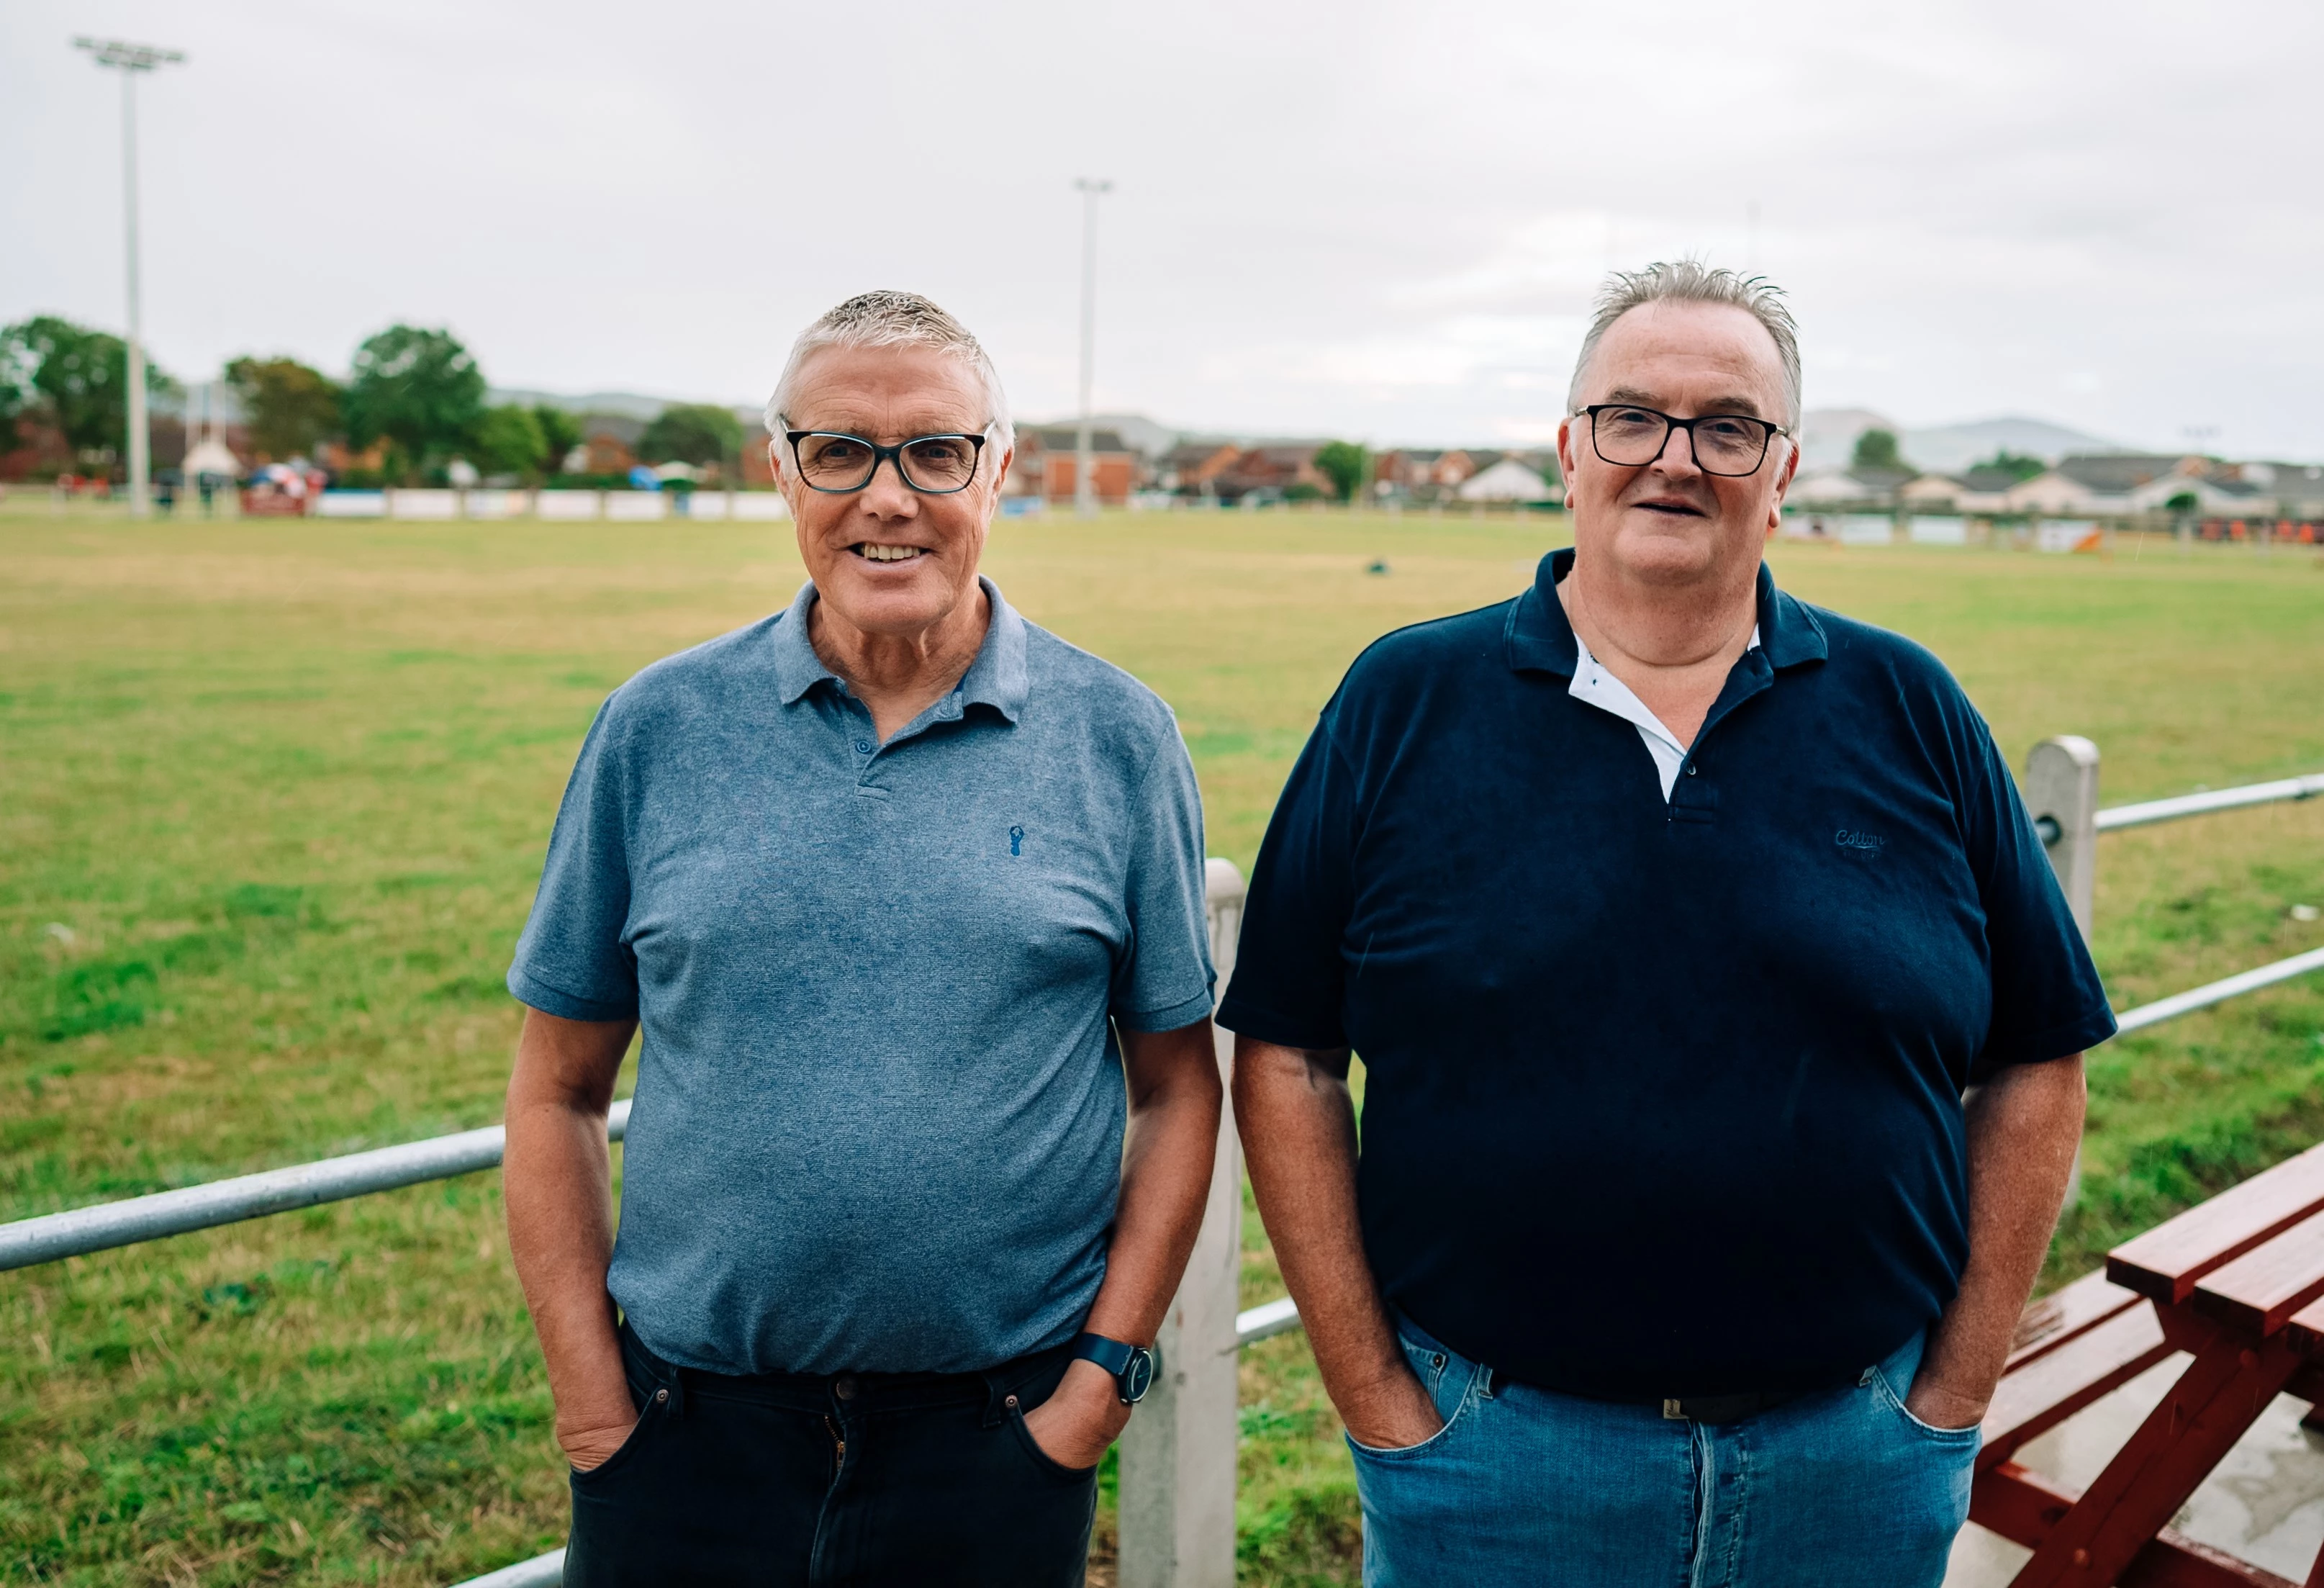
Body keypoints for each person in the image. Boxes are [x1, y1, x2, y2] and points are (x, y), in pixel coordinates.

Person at [1221, 261, 2115, 1587]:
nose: (1676, 459)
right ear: (1570, 450)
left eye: (1727, 426)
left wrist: (1952, 1392)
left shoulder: (1909, 708)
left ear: (1785, 469)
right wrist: (1380, 1399)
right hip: (1496, 1470)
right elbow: (1285, 1056)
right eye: (1633, 418)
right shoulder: (1402, 703)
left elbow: (2041, 1049)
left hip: (1851, 1467)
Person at [502, 290, 1224, 1587]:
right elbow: (556, 1089)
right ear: (780, 470)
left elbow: (1178, 1089)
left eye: (935, 452)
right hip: (683, 1438)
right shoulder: (654, 729)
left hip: (995, 1443)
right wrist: (595, 1411)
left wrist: (1097, 1388)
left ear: (1001, 467)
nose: (887, 497)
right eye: (840, 450)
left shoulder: (1120, 739)